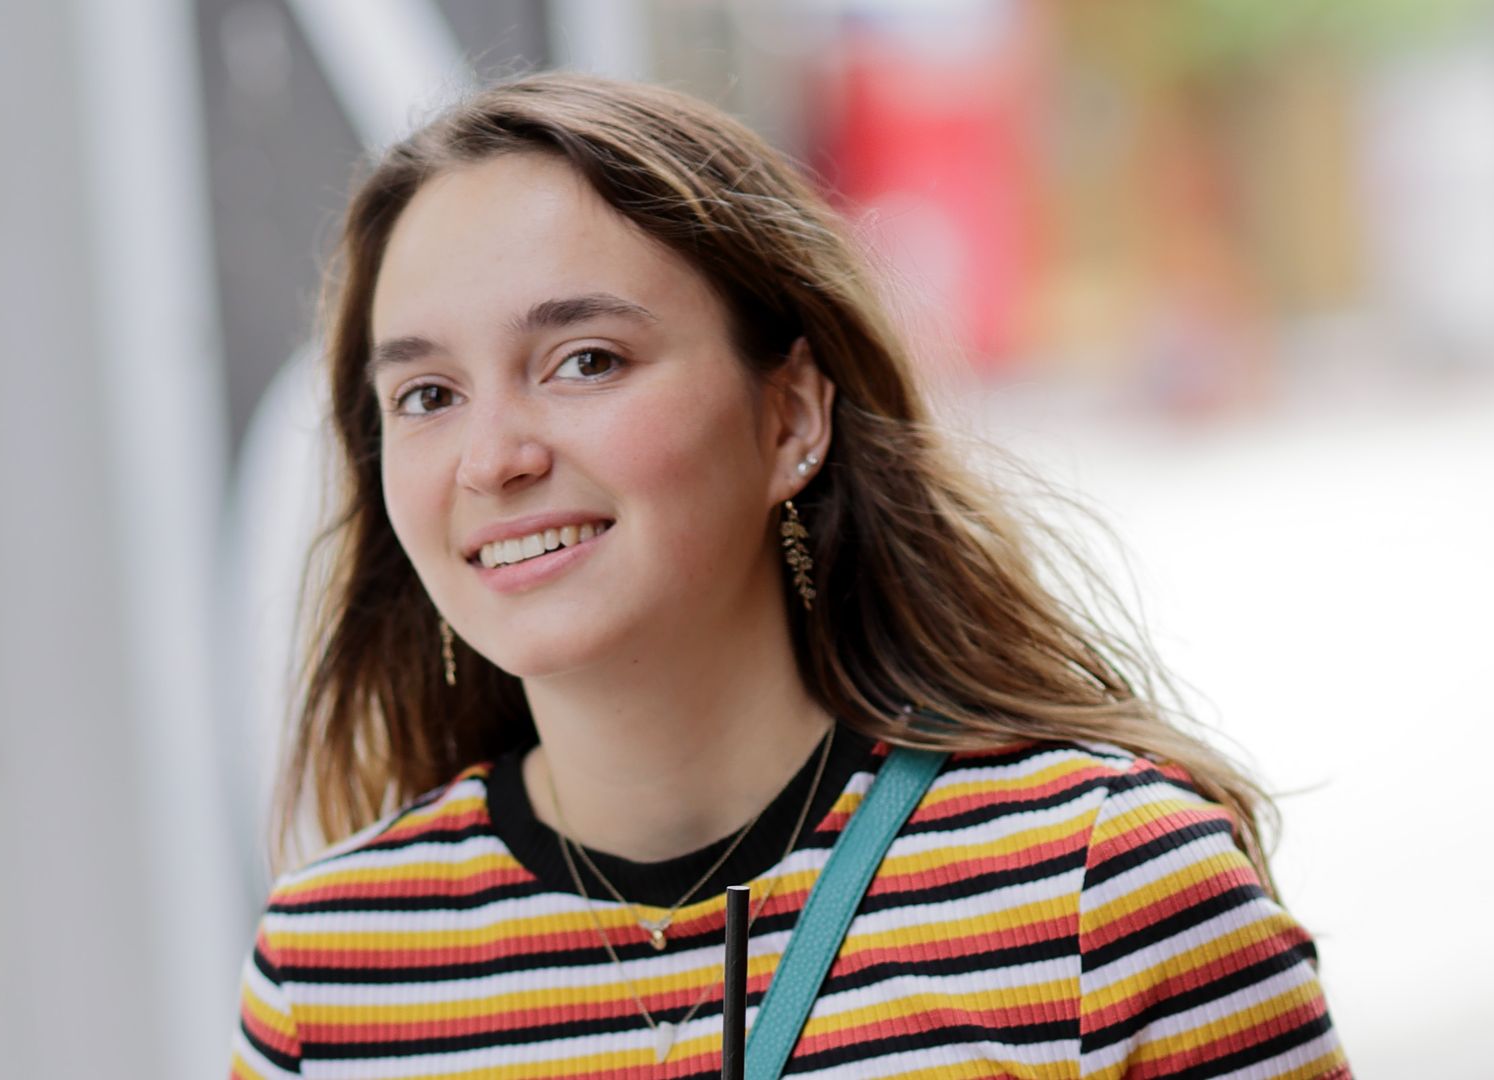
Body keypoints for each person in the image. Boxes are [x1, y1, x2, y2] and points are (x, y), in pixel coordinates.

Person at [228, 72, 1349, 1079]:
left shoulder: (1107, 892)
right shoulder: (332, 979)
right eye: (427, 396)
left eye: (586, 362)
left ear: (789, 414)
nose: (494, 458)